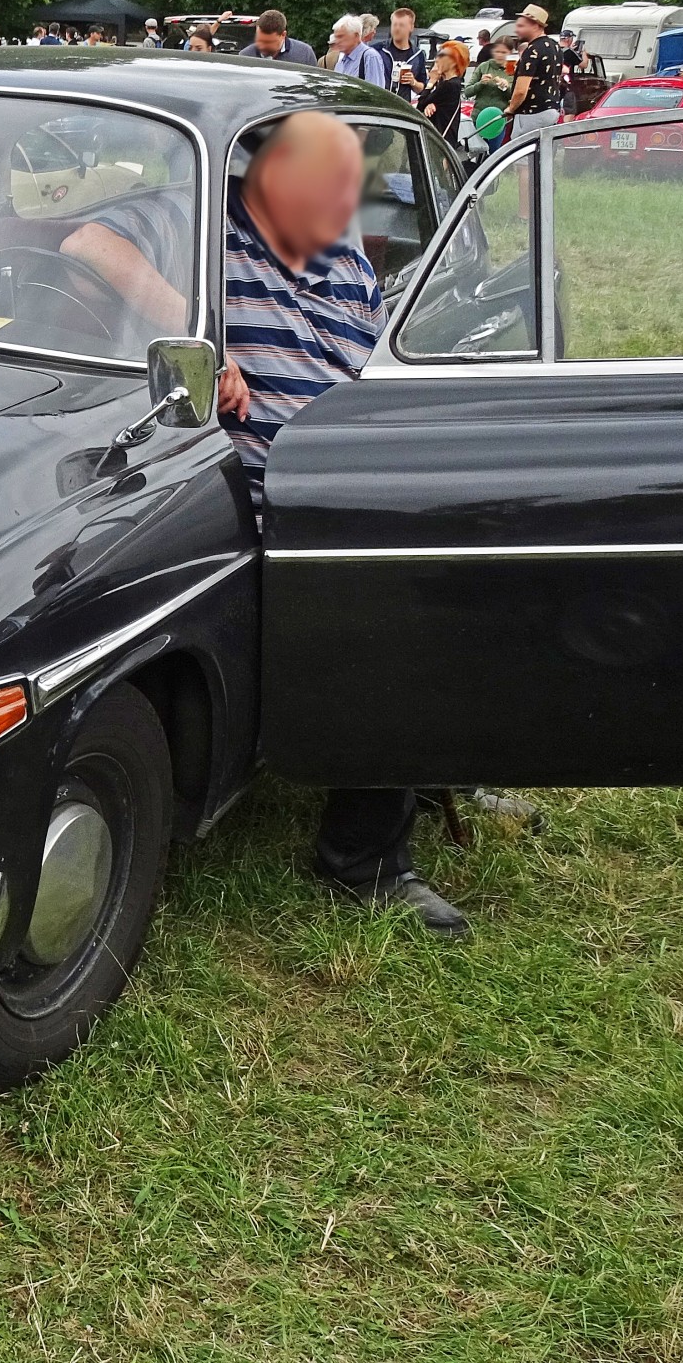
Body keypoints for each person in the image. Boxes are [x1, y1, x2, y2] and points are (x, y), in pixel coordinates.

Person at [59, 111, 469, 935]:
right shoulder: (197, 214)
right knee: (405, 610)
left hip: (348, 467)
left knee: (463, 558)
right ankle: (367, 861)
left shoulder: (341, 251)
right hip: (255, 484)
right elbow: (90, 248)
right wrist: (203, 333)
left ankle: (435, 762)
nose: (343, 200)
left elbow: (368, 358)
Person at [502, 3, 566, 138]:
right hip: (551, 110)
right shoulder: (555, 47)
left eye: (521, 26)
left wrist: (511, 108)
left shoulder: (532, 50)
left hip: (531, 113)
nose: (516, 30)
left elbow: (520, 91)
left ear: (536, 25)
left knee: (521, 155)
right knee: (543, 153)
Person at [416, 40, 468, 140]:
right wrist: (432, 104)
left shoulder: (450, 85)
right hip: (442, 138)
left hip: (442, 141)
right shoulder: (448, 83)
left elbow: (420, 105)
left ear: (454, 62)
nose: (438, 59)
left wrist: (431, 81)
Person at [379, 7, 428, 101]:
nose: (397, 28)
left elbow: (422, 89)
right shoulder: (379, 50)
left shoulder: (418, 55)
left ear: (411, 27)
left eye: (401, 25)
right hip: (380, 105)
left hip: (402, 108)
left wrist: (413, 82)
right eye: (394, 25)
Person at [327, 15, 388, 87]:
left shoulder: (370, 57)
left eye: (341, 36)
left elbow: (376, 93)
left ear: (356, 36)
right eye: (336, 37)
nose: (337, 41)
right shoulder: (341, 62)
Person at [248, 9, 315, 65]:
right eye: (260, 40)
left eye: (268, 42)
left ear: (283, 35)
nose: (262, 46)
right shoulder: (246, 56)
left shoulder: (305, 54)